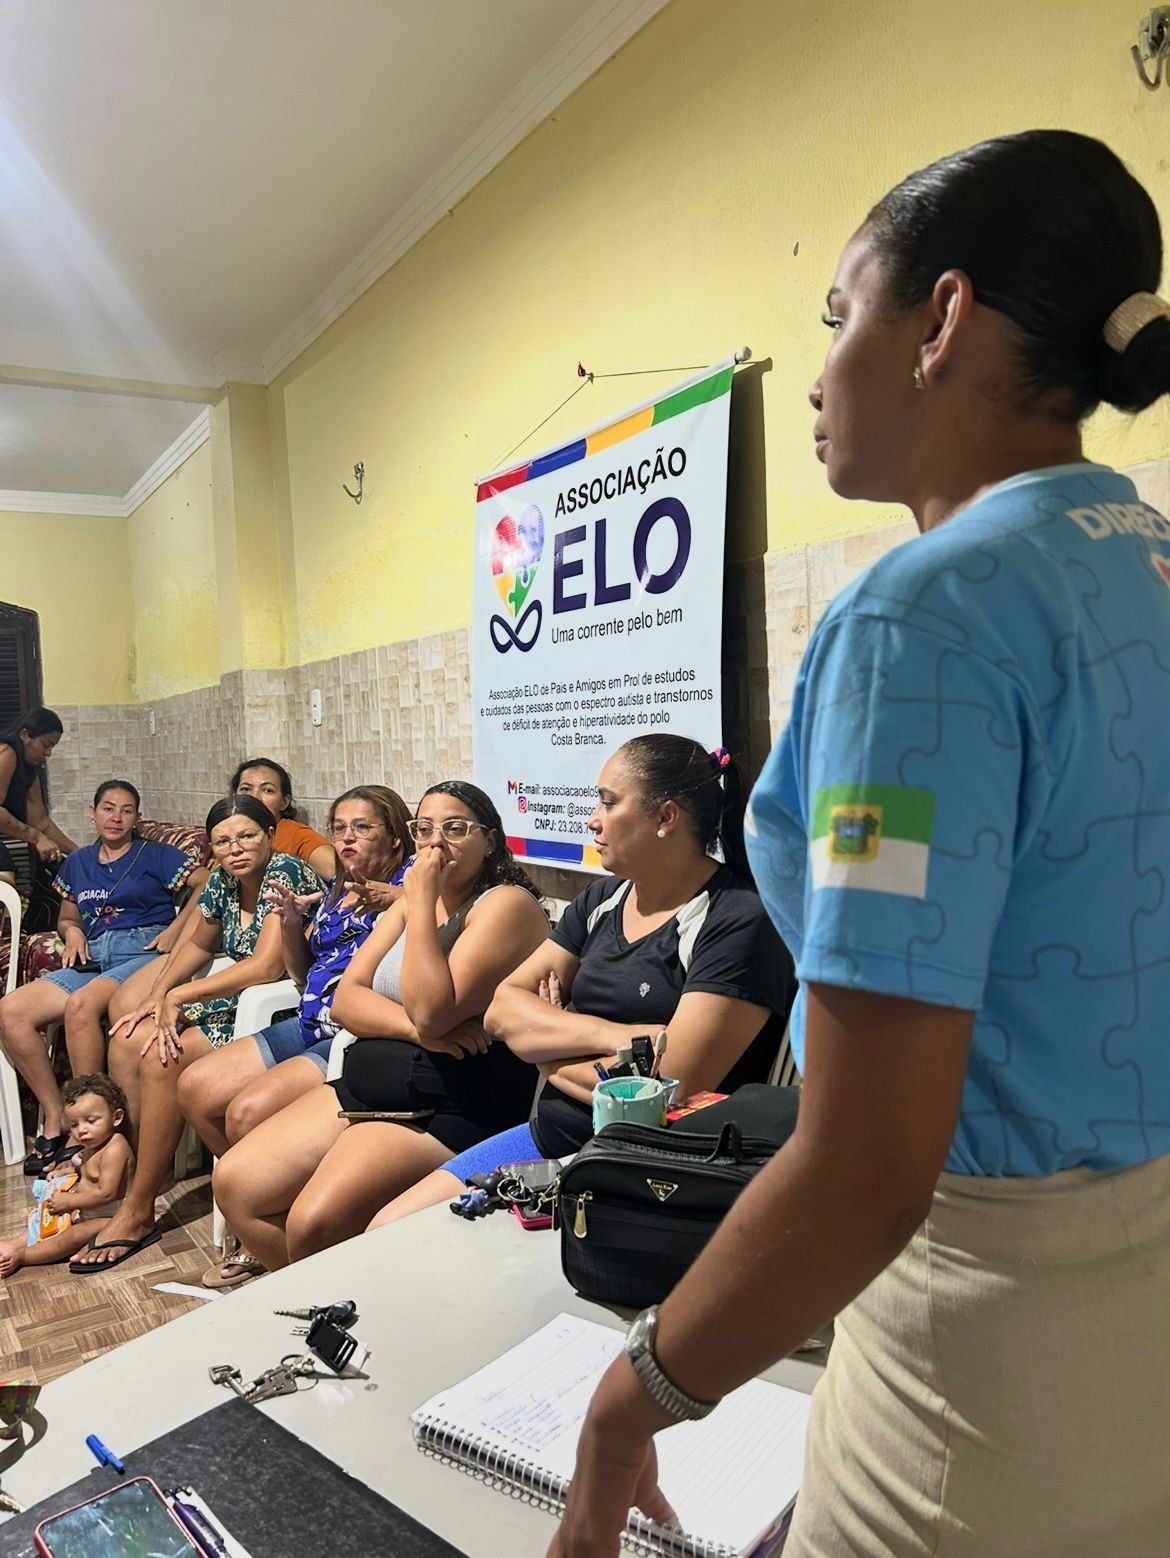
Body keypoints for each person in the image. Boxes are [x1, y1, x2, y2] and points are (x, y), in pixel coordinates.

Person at [549, 130, 1170, 1558]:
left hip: (989, 1361)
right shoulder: (1142, 567)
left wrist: (627, 1398)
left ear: (938, 320)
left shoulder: (923, 619)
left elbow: (868, 1163)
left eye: (835, 317)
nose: (822, 369)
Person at [367, 734, 796, 1231]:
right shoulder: (600, 901)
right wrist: (624, 1040)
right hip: (549, 1140)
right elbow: (502, 1010)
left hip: (653, 1167)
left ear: (665, 818)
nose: (592, 818)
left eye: (608, 802)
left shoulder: (738, 919)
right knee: (389, 1225)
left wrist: (546, 1052)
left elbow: (670, 1086)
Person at [211, 780, 549, 1270]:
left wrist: (422, 906)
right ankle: (321, 1302)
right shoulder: (412, 901)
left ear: (490, 840)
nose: (437, 843)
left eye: (455, 829)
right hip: (375, 1080)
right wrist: (417, 1032)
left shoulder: (505, 904)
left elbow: (433, 1006)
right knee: (236, 1185)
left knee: (312, 1222)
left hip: (449, 1099)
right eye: (426, 829)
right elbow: (347, 999)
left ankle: (337, 1308)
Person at [68, 795, 322, 1272]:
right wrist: (159, 993)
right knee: (138, 1038)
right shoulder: (225, 881)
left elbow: (268, 966)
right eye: (223, 841)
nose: (236, 848)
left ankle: (142, 1207)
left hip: (276, 1006)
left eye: (247, 836)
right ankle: (142, 1172)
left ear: (270, 835)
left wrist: (182, 999)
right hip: (232, 1000)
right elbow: (198, 943)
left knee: (162, 1055)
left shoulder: (284, 873)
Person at [175, 784, 412, 1288]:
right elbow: (306, 978)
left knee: (245, 1112)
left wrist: (398, 899)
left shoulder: (410, 886)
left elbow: (440, 916)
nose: (346, 840)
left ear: (395, 840)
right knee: (196, 1087)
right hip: (307, 1020)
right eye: (339, 828)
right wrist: (289, 927)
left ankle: (268, 1229)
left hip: (349, 1036)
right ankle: (258, 1215)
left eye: (362, 828)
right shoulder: (339, 887)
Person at [0, 780, 202, 1177]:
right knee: (10, 1012)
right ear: (92, 813)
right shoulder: (78, 862)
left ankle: (91, 1131)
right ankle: (61, 1117)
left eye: (127, 810)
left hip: (142, 952)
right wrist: (71, 931)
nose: (116, 818)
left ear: (137, 818)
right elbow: (68, 916)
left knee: (81, 1008)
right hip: (93, 956)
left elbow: (207, 882)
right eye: (108, 808)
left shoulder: (156, 854)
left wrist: (179, 926)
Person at [0, 1074, 133, 1277]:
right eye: (74, 1125)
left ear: (116, 1117)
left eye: (90, 1121)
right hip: (85, 1208)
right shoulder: (94, 1144)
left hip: (111, 1217)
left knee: (72, 1236)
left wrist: (69, 1201)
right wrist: (67, 1171)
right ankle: (15, 1244)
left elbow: (108, 1193)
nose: (82, 1131)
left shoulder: (116, 1147)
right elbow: (86, 1170)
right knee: (46, 1217)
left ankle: (24, 1256)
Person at [0, 707, 77, 930]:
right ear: (25, 735)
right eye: (46, 745)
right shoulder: (7, 753)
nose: (48, 754)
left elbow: (41, 821)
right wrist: (35, 838)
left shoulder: (29, 767)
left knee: (60, 869)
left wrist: (77, 853)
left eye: (52, 747)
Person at [230, 758, 335, 880]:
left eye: (267, 790)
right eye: (246, 789)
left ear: (284, 802)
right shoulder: (227, 832)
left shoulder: (295, 835)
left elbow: (335, 870)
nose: (254, 797)